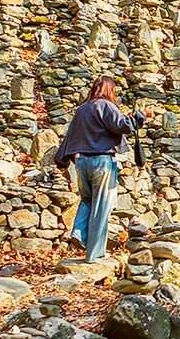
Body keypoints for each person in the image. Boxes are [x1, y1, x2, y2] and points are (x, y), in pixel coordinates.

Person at [52, 77, 145, 261]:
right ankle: (94, 256)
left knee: (87, 200)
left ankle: (78, 232)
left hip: (81, 163)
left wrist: (62, 160)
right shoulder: (106, 105)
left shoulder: (82, 109)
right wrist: (140, 116)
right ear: (109, 89)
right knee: (101, 207)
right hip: (102, 162)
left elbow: (70, 135)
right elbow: (123, 126)